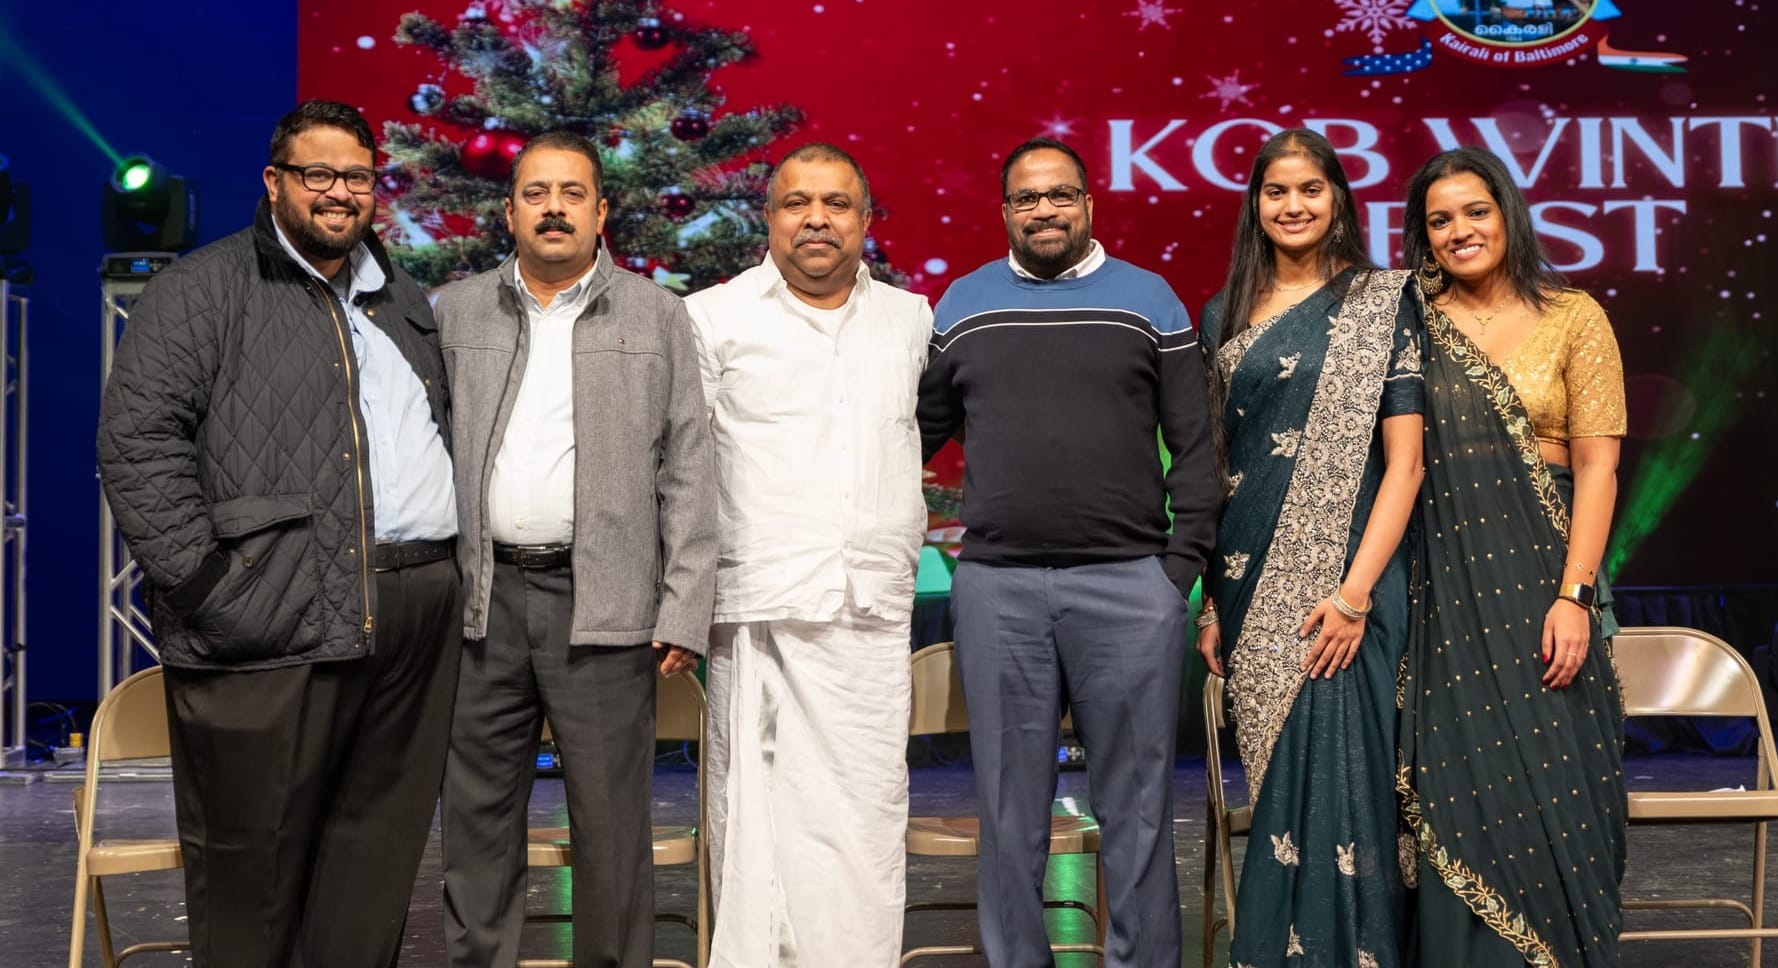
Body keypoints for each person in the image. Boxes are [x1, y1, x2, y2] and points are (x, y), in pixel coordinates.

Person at [95, 99, 460, 966]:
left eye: (357, 176)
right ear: (275, 181)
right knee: (250, 875)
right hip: (265, 618)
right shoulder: (203, 290)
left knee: (373, 865)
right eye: (318, 173)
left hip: (412, 616)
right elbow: (136, 443)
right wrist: (209, 586)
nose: (340, 192)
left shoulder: (401, 300)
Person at [915, 137, 1219, 968]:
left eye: (1059, 195)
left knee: (1139, 808)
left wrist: (1177, 574)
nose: (1043, 210)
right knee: (1008, 811)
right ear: (1004, 211)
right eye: (1026, 198)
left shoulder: (1150, 300)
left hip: (1130, 588)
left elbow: (1196, 447)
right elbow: (914, 435)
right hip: (997, 589)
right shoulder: (964, 304)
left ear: (1088, 203)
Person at [434, 129, 716, 968]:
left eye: (571, 194)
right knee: (477, 824)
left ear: (601, 211)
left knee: (613, 827)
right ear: (509, 211)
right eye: (535, 193)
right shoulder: (455, 312)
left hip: (605, 607)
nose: (553, 209)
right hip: (481, 605)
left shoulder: (658, 315)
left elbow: (690, 466)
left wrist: (685, 606)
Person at [685, 142, 930, 967]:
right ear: (768, 217)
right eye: (797, 203)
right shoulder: (713, 317)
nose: (816, 219)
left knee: (864, 825)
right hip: (760, 612)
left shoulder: (910, 318)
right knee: (756, 836)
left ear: (865, 219)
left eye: (836, 204)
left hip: (869, 614)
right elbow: (682, 468)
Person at [1194, 129, 1423, 968]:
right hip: (1247, 585)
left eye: (1310, 190)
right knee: (1282, 793)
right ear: (1255, 204)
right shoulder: (1222, 312)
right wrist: (1211, 604)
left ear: (1338, 200)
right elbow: (1217, 464)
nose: (1293, 206)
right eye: (1276, 191)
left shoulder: (1385, 300)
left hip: (1357, 585)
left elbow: (1406, 464)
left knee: (1352, 788)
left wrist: (1354, 595)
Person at [1398, 145, 1628, 966]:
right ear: (1423, 237)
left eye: (1476, 211)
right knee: (1459, 798)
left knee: (1561, 790)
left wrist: (1575, 595)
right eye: (1440, 220)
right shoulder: (1406, 323)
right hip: (1440, 596)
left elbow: (1597, 467)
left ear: (1508, 214)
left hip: (1547, 583)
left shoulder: (1573, 316)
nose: (1460, 231)